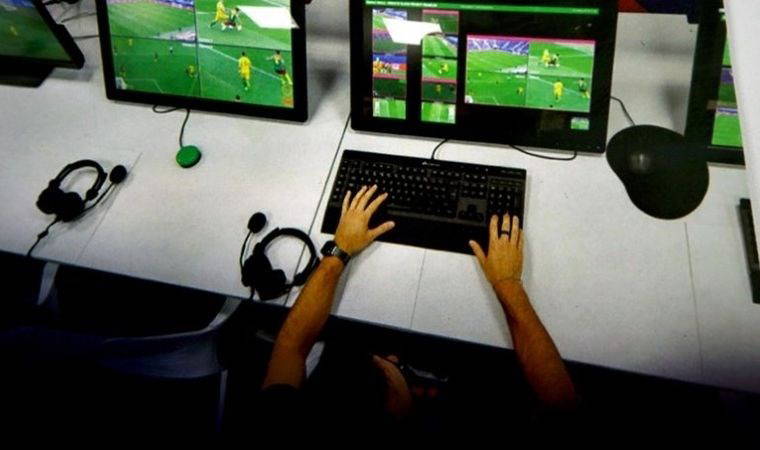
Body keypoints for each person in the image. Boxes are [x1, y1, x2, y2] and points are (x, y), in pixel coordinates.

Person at [258, 185, 576, 435]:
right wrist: (508, 283)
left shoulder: (280, 422)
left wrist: (339, 250)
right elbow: (561, 403)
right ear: (398, 413)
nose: (392, 357)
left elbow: (289, 345)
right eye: (390, 371)